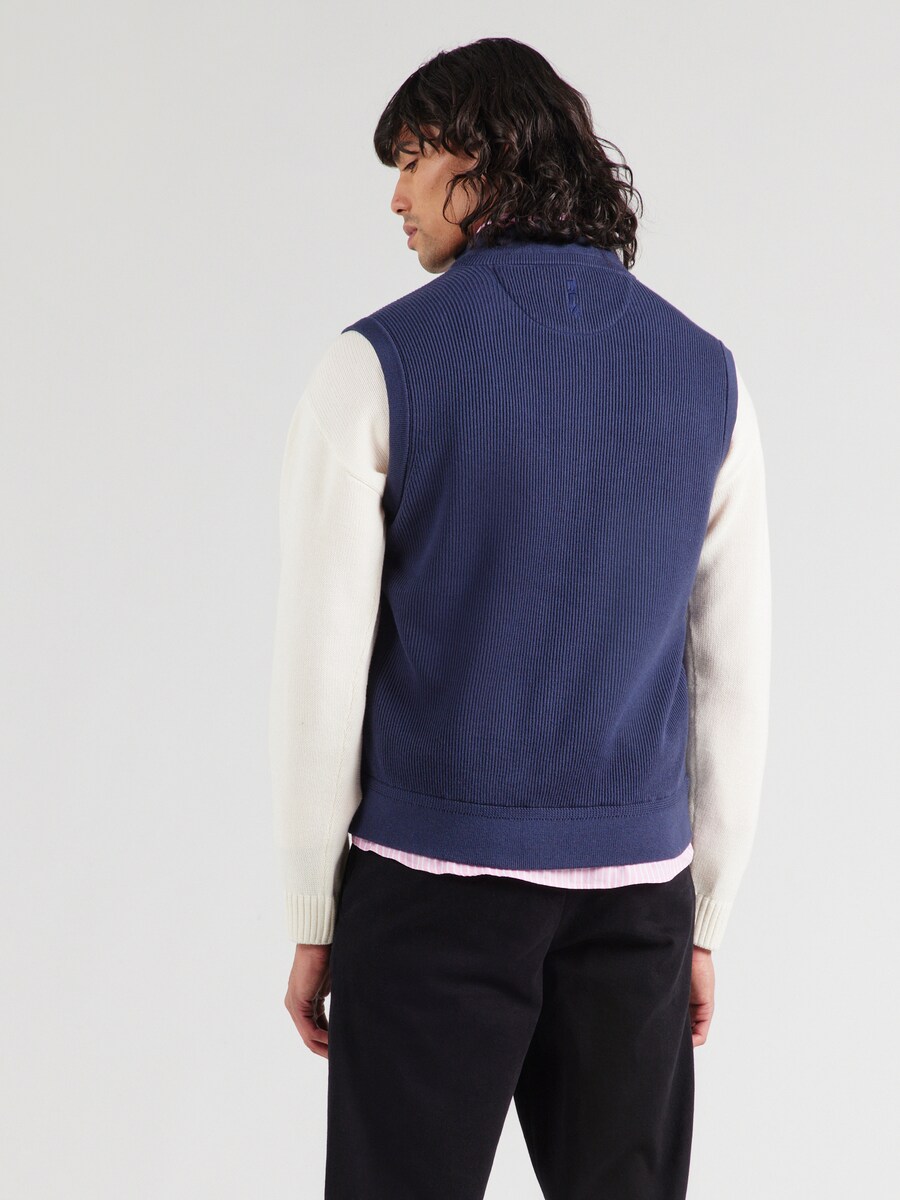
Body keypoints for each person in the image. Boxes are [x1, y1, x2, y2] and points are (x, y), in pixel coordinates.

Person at [269, 36, 771, 1200]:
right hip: (637, 896)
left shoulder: (375, 367)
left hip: (431, 891)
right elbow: (734, 670)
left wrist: (312, 910)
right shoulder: (709, 377)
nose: (396, 196)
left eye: (413, 160)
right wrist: (704, 915)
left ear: (484, 159)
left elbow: (319, 669)